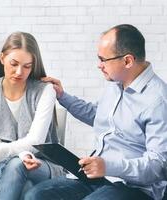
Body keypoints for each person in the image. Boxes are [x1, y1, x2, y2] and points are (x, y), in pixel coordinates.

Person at [24, 24, 167, 200]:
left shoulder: (158, 101)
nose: (99, 65)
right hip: (100, 178)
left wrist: (108, 166)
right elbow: (97, 115)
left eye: (103, 59)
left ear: (127, 61)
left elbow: (157, 166)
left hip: (136, 188)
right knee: (36, 195)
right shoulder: (116, 83)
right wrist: (63, 96)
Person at [0, 32, 65, 200]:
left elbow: (35, 141)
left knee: (17, 165)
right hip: (4, 164)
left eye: (27, 66)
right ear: (2, 58)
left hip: (43, 164)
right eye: (13, 64)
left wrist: (22, 156)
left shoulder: (45, 90)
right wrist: (22, 154)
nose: (19, 72)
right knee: (25, 184)